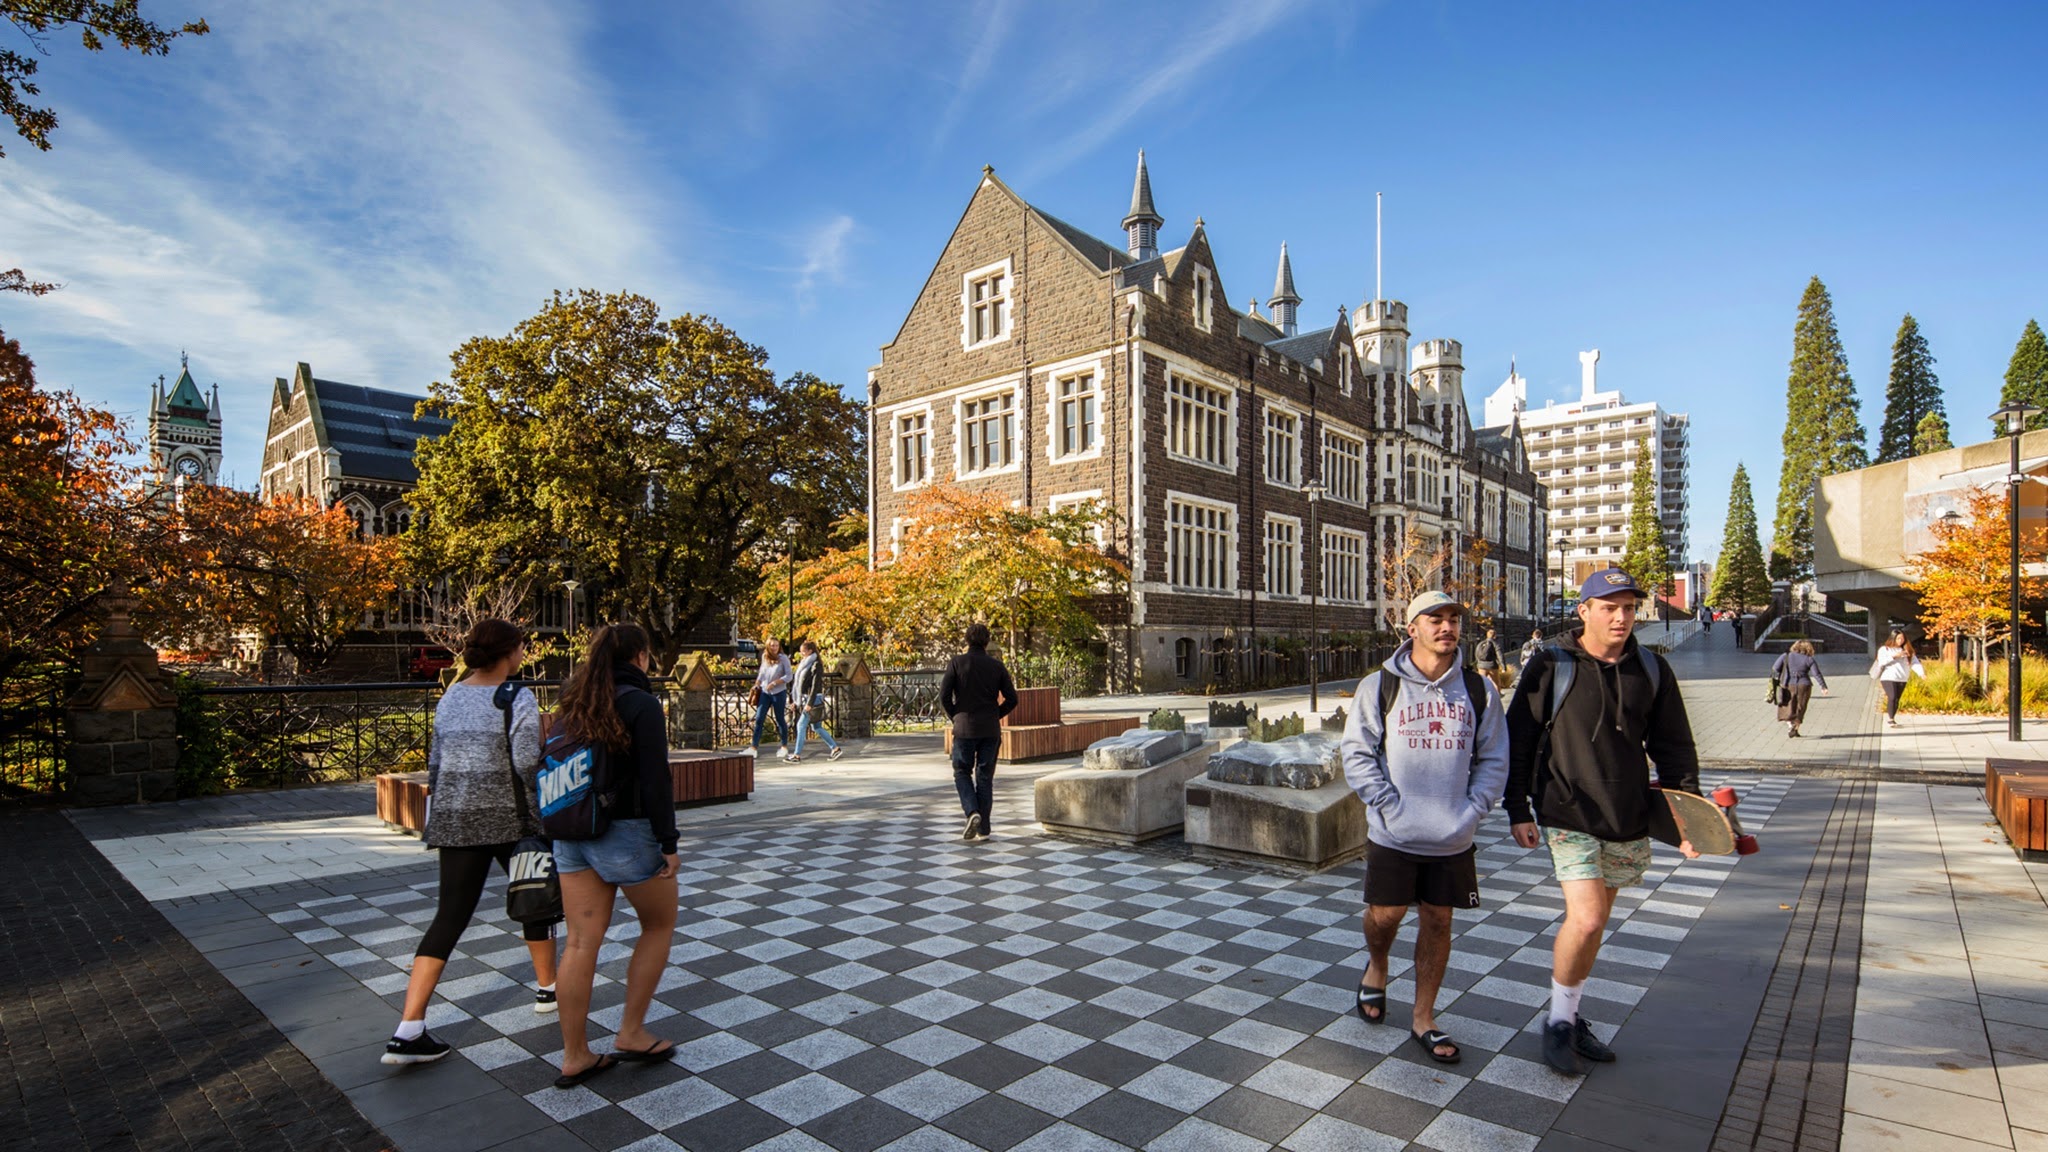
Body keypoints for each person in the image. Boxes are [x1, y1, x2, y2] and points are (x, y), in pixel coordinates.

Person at [1505, 568, 1702, 1076]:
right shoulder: (1552, 664)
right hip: (1566, 808)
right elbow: (1519, 739)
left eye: (1629, 608)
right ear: (1584, 611)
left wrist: (1690, 816)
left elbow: (1674, 747)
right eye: (1609, 607)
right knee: (1587, 917)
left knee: (1593, 928)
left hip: (1628, 813)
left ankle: (1569, 1013)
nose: (1621, 617)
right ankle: (1558, 1023)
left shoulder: (1652, 670)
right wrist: (1517, 809)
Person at [1341, 591, 1508, 1066]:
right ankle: (1377, 965)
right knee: (1386, 915)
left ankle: (1424, 1016)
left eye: (1454, 619)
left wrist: (1474, 808)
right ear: (1411, 628)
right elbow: (1357, 752)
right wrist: (1387, 804)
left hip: (1453, 833)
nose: (1447, 627)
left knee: (1439, 919)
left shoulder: (1479, 690)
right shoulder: (1379, 685)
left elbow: (1495, 756)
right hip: (1394, 830)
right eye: (1435, 618)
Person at [383, 619, 560, 1066]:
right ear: (508, 652)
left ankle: (409, 1027)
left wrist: (444, 807)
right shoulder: (517, 696)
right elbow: (524, 762)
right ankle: (548, 990)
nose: (523, 654)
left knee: (450, 916)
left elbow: (436, 759)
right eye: (520, 648)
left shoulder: (453, 693)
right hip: (510, 819)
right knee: (533, 899)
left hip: (455, 820)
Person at [548, 623, 680, 1089]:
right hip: (627, 832)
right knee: (658, 925)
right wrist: (669, 842)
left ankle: (574, 1055)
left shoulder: (573, 704)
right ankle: (631, 1031)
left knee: (581, 943)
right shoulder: (641, 704)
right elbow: (655, 780)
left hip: (571, 833)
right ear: (641, 656)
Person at [940, 622, 1018, 842]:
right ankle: (983, 827)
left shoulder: (957, 663)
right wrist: (996, 714)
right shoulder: (997, 666)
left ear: (967, 640)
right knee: (985, 778)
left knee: (962, 772)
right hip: (990, 729)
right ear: (987, 641)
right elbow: (1013, 699)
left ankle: (972, 811)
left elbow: (944, 696)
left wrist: (956, 715)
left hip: (964, 728)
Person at [788, 639, 844, 762]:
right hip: (806, 699)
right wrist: (796, 702)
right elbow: (800, 684)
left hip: (813, 699)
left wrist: (810, 703)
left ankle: (797, 755)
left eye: (803, 652)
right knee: (816, 727)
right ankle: (835, 748)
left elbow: (815, 686)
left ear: (810, 651)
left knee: (801, 725)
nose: (801, 654)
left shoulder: (816, 665)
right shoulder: (805, 663)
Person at [1772, 639, 1829, 737]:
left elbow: (1775, 668)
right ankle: (1796, 727)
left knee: (1787, 706)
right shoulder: (1809, 659)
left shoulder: (1786, 656)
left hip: (1788, 684)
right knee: (1801, 707)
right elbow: (1816, 674)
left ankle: (1790, 724)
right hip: (1804, 685)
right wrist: (1823, 686)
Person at [1870, 629, 1926, 729]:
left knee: (1896, 699)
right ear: (1893, 638)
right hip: (1888, 677)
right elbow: (1881, 661)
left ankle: (1893, 716)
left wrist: (1921, 673)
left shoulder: (1907, 650)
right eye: (1898, 638)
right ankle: (1890, 719)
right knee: (1892, 696)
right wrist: (1895, 656)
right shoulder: (1885, 649)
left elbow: (1915, 662)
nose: (1900, 640)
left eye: (1902, 638)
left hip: (1902, 678)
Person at [751, 637, 793, 757]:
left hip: (778, 692)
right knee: (759, 718)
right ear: (768, 646)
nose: (774, 648)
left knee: (780, 719)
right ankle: (754, 747)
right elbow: (762, 673)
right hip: (765, 692)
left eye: (776, 645)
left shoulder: (783, 659)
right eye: (772, 645)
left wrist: (775, 683)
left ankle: (784, 746)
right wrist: (757, 684)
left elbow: (789, 676)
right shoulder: (765, 657)